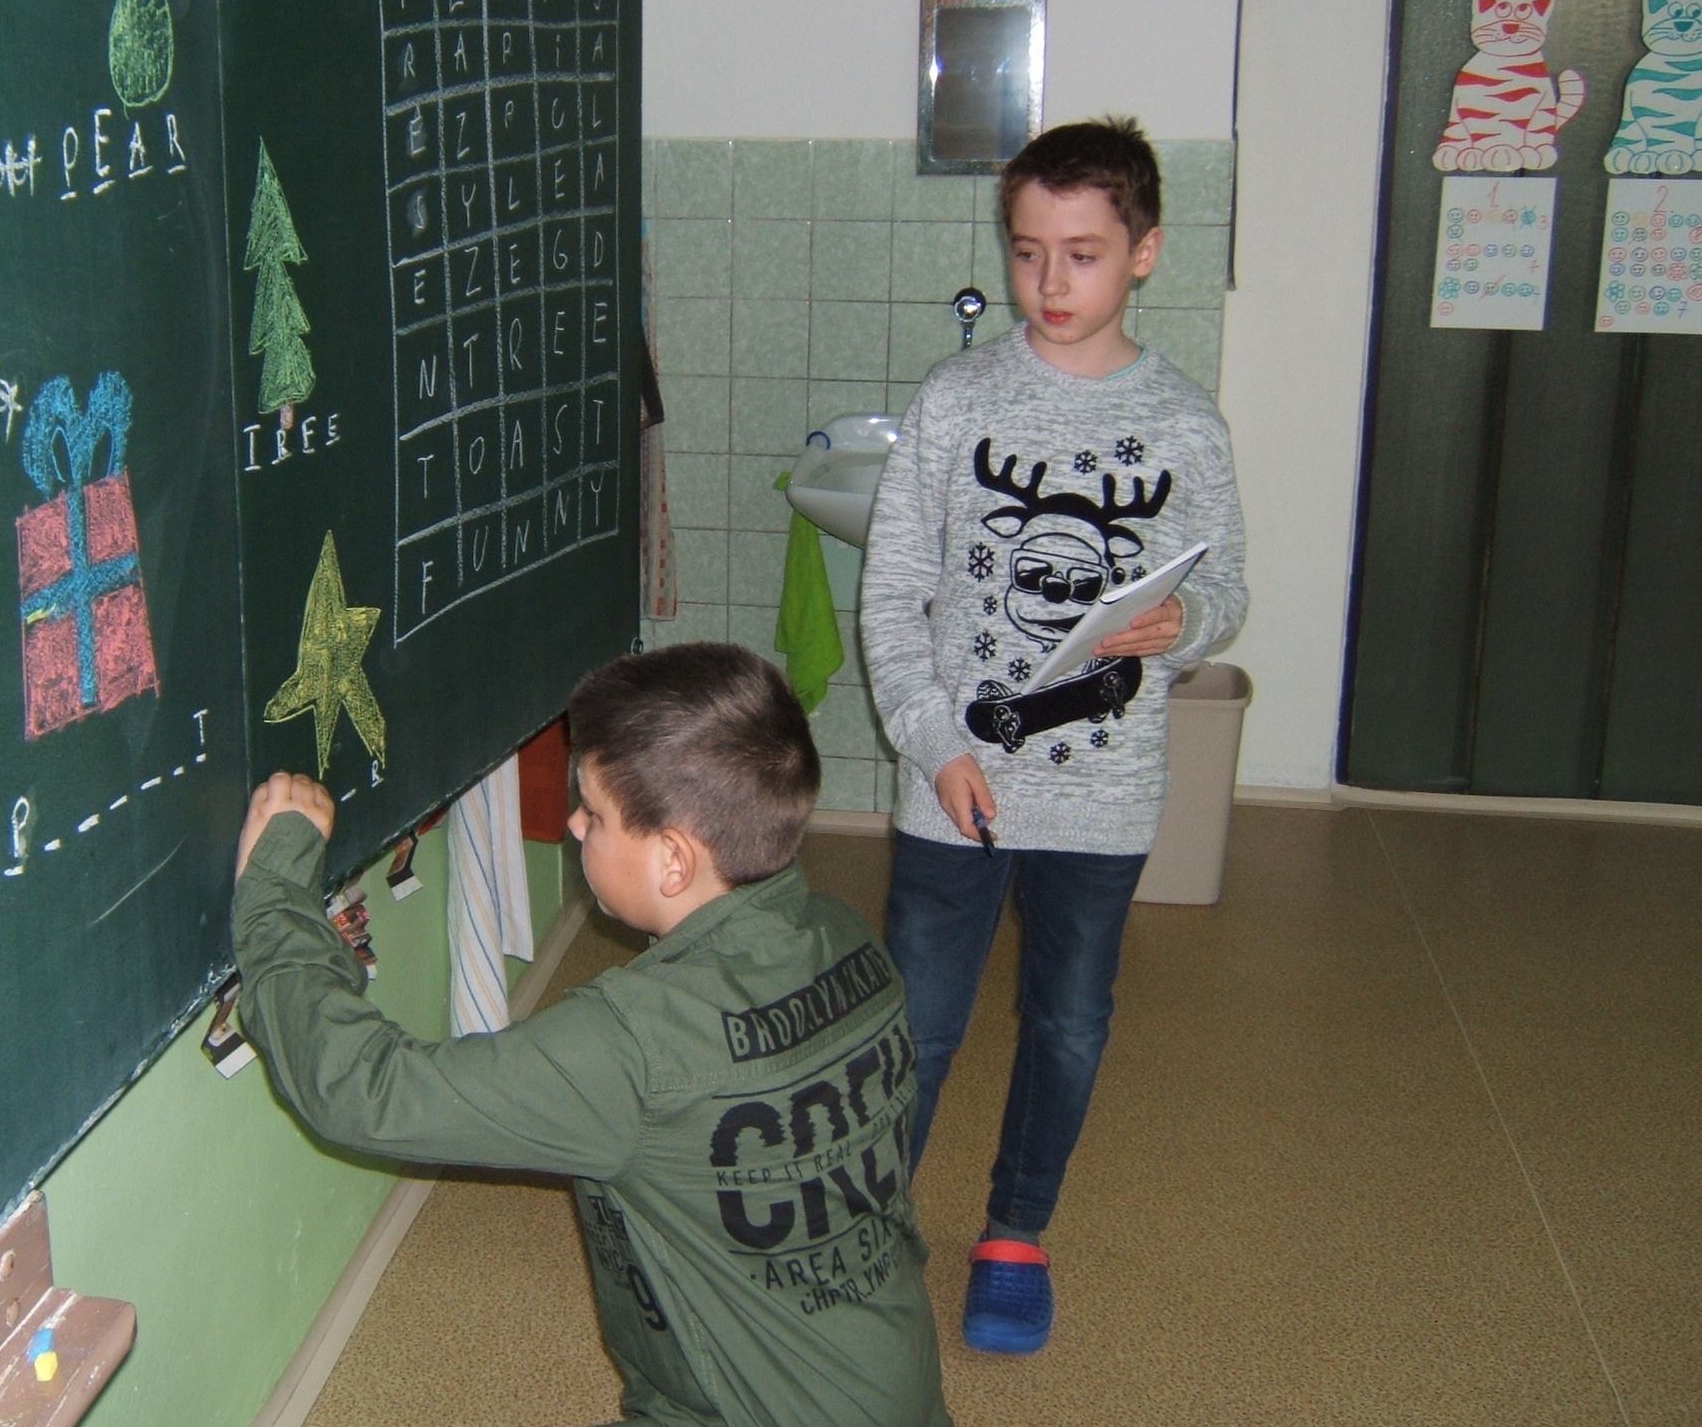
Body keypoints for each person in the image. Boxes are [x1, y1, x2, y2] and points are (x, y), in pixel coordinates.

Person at [232, 643, 950, 1427]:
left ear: (673, 861)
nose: (573, 825)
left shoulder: (632, 1044)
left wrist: (275, 891)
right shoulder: (847, 935)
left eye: (595, 814)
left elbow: (366, 1093)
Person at [861, 117, 1247, 1356]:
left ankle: (1016, 1233)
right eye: (1029, 252)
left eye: (1083, 254)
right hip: (953, 783)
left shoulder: (1185, 423)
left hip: (1106, 794)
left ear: (1145, 252)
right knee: (918, 1024)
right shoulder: (956, 399)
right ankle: (866, 1236)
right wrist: (934, 742)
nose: (1050, 283)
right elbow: (894, 592)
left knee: (1070, 1021)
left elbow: (1225, 589)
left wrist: (1186, 623)